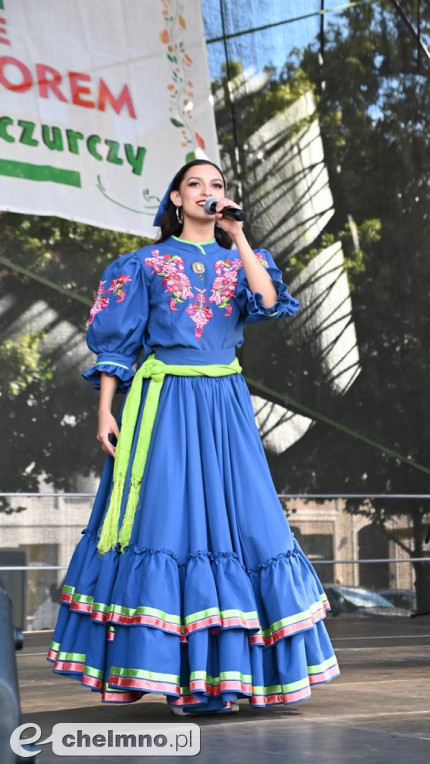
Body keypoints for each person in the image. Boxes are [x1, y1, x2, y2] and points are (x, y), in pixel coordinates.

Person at [46, 158, 340, 715]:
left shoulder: (241, 258)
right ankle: (176, 677)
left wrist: (240, 234)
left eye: (218, 186)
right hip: (165, 402)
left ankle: (227, 674)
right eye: (196, 185)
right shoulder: (145, 264)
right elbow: (117, 346)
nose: (209, 192)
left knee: (245, 522)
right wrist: (106, 410)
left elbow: (270, 303)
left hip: (225, 403)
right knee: (168, 521)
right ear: (176, 199)